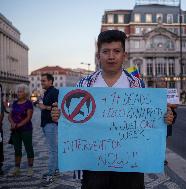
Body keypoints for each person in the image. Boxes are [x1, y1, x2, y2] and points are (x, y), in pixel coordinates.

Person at [51, 30, 175, 189]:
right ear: (98, 56)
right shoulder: (85, 85)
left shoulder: (137, 85)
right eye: (106, 51)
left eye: (116, 51)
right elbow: (72, 121)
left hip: (130, 164)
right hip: (93, 164)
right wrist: (59, 116)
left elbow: (149, 121)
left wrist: (166, 117)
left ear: (124, 55)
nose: (111, 56)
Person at [8, 84, 34, 176]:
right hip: (15, 130)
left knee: (28, 148)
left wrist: (17, 125)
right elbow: (10, 115)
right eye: (18, 91)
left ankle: (30, 168)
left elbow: (28, 118)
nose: (18, 93)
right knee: (17, 149)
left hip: (26, 130)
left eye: (21, 91)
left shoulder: (28, 103)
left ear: (25, 93)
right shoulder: (14, 103)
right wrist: (12, 123)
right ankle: (17, 168)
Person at [39, 73, 59, 187]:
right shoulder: (47, 92)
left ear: (50, 81)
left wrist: (45, 107)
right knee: (54, 148)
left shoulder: (55, 92)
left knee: (52, 150)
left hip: (51, 123)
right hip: (46, 123)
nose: (42, 83)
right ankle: (55, 169)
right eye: (41, 81)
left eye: (44, 81)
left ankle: (50, 174)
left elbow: (58, 106)